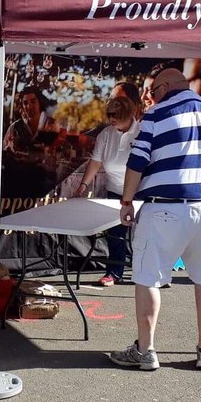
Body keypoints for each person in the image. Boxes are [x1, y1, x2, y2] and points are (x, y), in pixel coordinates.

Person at [108, 68, 201, 372]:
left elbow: (137, 162)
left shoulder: (156, 116)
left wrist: (127, 201)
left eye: (153, 91)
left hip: (166, 209)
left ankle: (145, 351)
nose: (151, 98)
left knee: (147, 278)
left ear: (166, 86)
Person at [74, 95, 139, 286]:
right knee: (115, 235)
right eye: (110, 115)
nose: (112, 119)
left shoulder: (143, 131)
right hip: (116, 191)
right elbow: (95, 162)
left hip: (142, 191)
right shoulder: (106, 135)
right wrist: (83, 184)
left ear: (129, 114)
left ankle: (154, 274)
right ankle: (114, 272)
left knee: (147, 234)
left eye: (116, 115)